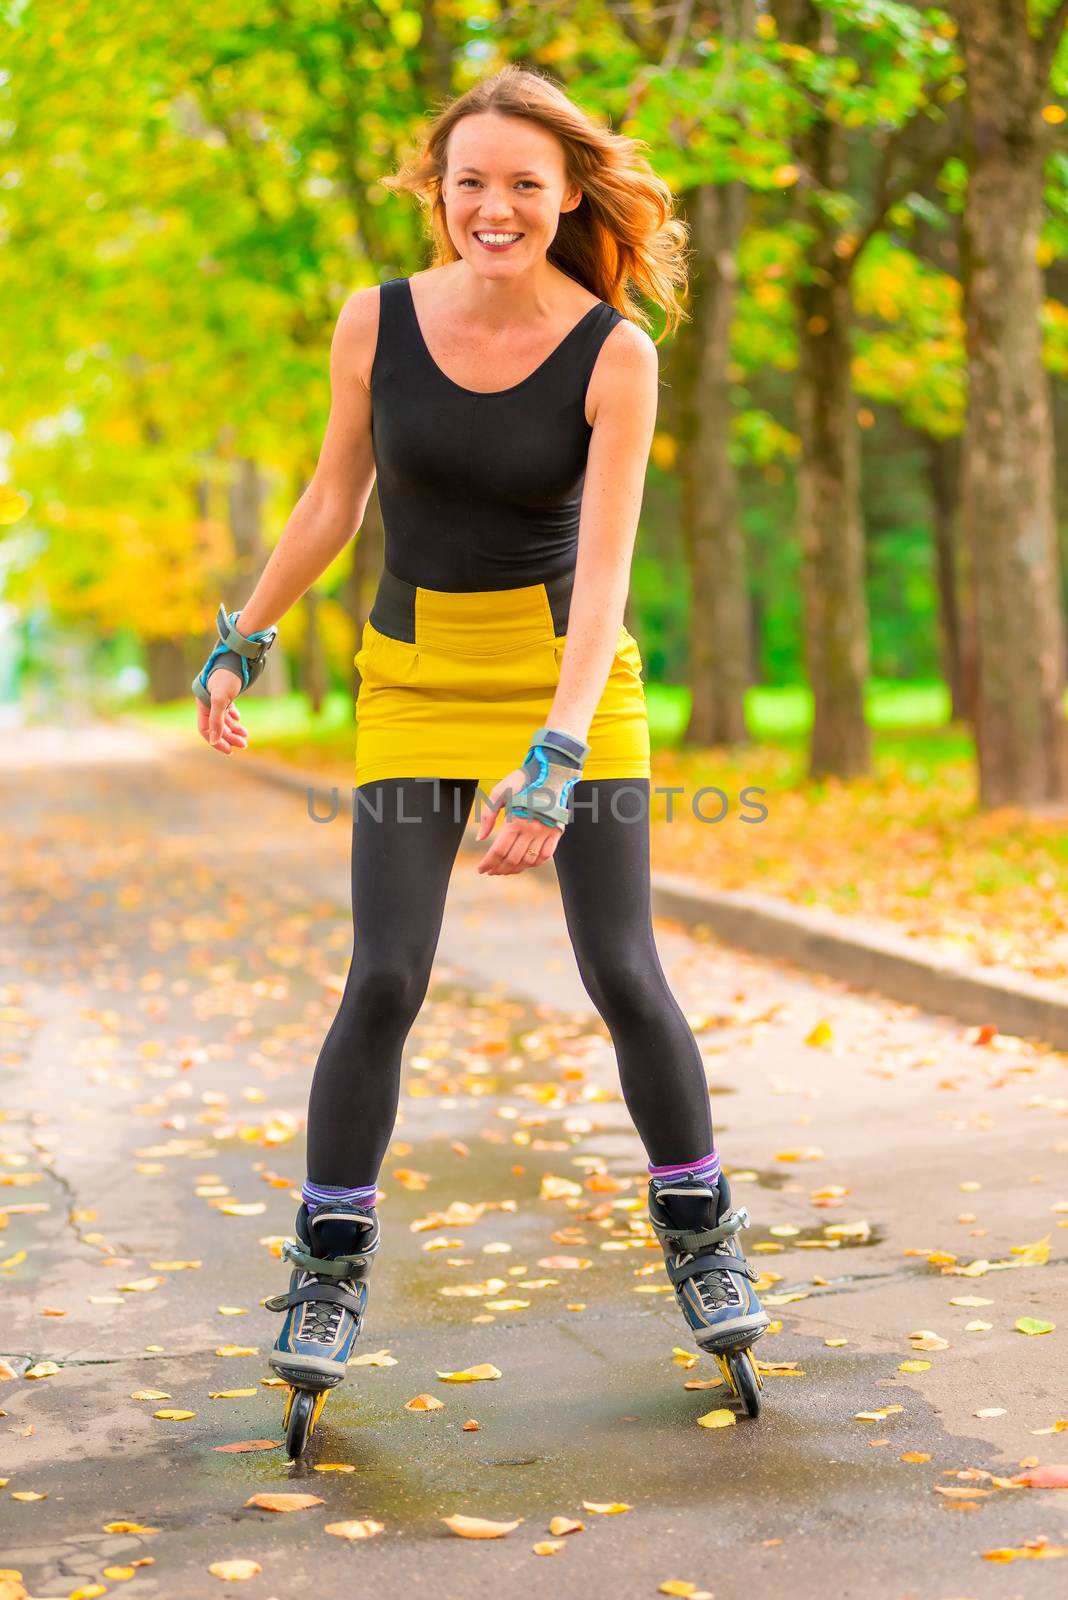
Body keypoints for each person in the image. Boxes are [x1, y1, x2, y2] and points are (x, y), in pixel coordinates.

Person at [192, 66, 769, 1432]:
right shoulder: (375, 321)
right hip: (414, 677)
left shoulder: (613, 351)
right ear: (436, 191)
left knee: (621, 969)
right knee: (385, 975)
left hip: (571, 679)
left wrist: (558, 755)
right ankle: (326, 1268)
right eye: (470, 182)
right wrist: (246, 637)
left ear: (569, 195)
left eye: (524, 183)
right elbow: (337, 494)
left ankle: (704, 1239)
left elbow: (613, 564)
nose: (494, 206)